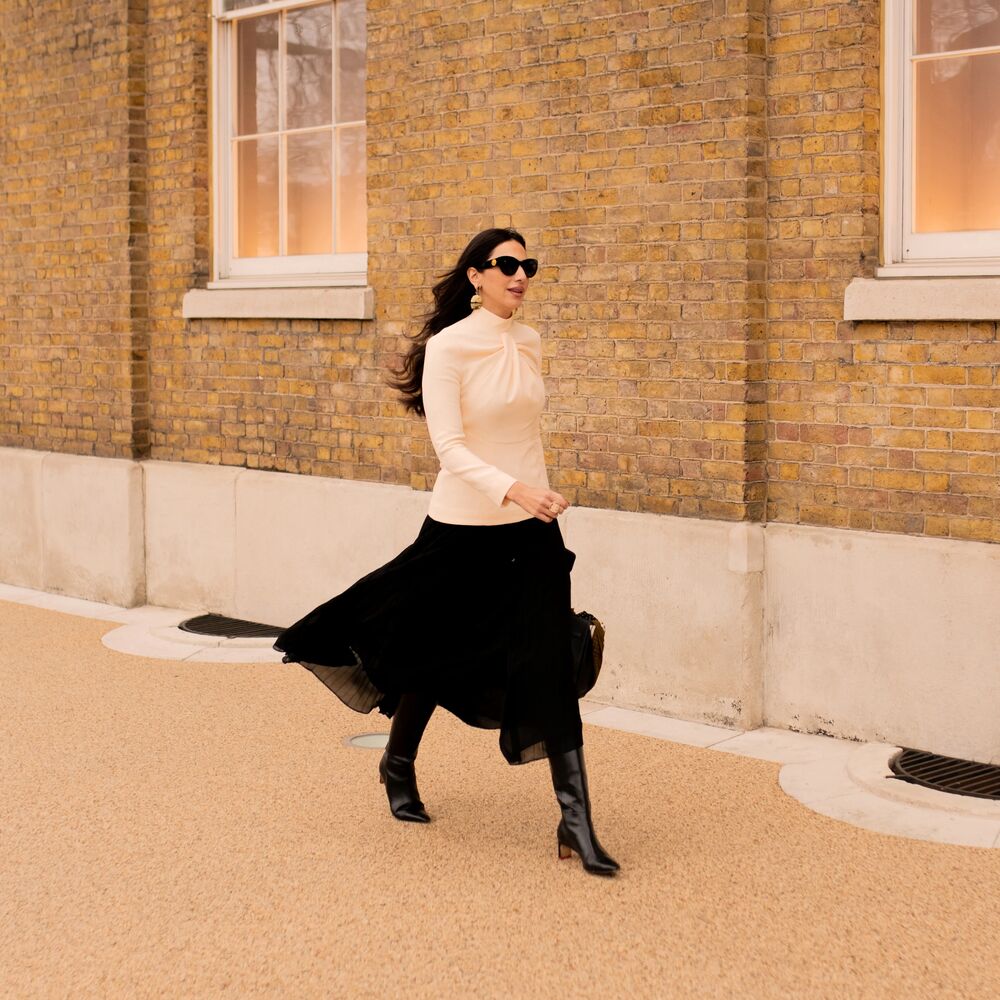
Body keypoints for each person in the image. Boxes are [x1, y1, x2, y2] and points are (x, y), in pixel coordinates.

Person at [274, 227, 619, 876]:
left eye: (529, 265)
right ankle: (397, 764)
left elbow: (525, 436)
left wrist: (534, 499)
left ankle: (576, 824)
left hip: (530, 532)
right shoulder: (450, 348)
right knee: (430, 662)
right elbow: (451, 449)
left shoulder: (530, 342)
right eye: (507, 265)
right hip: (461, 531)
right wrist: (513, 489)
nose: (520, 275)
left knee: (549, 665)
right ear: (476, 277)